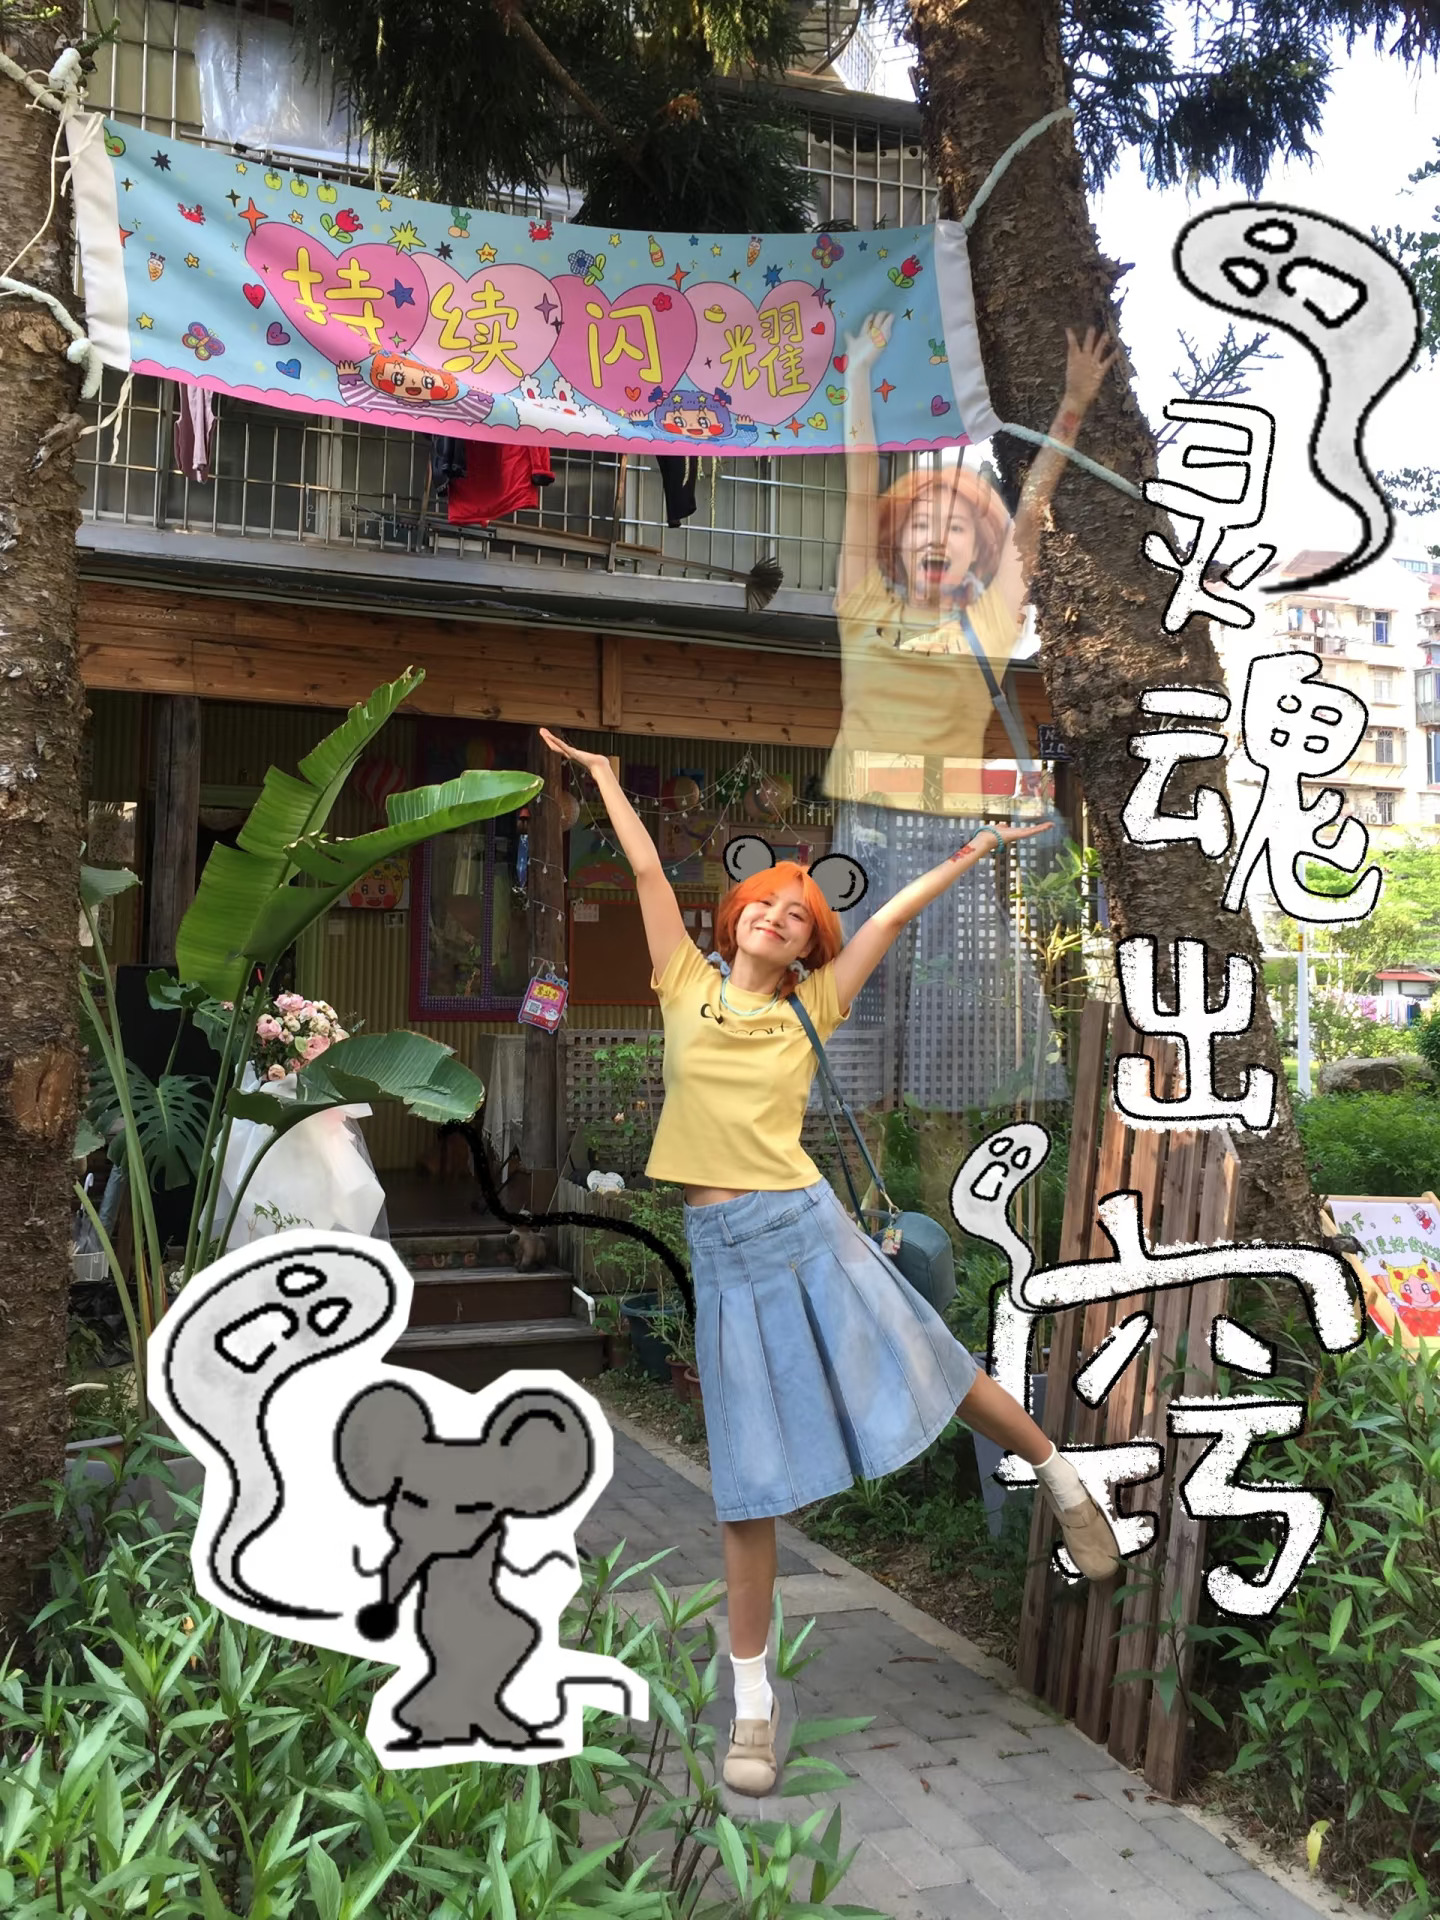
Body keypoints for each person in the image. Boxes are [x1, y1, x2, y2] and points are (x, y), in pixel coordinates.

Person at [538, 725, 1122, 1800]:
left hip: (804, 1225)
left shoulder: (813, 1006)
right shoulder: (683, 981)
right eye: (765, 902)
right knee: (745, 1486)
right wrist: (609, 782)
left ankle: (1060, 1475)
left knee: (929, 1361)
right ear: (734, 919)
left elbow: (890, 918)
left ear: (811, 942)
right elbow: (649, 874)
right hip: (726, 1255)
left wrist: (970, 853)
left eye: (798, 913)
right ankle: (753, 1708)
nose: (777, 913)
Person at [824, 317, 1118, 1114]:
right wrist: (858, 374)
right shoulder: (862, 603)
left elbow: (1031, 513)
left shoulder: (987, 623)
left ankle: (951, 1180)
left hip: (951, 846)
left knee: (955, 1059)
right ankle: (867, 1179)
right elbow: (860, 480)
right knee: (851, 1045)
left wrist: (1072, 405)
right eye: (921, 524)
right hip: (865, 837)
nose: (935, 537)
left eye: (954, 528)